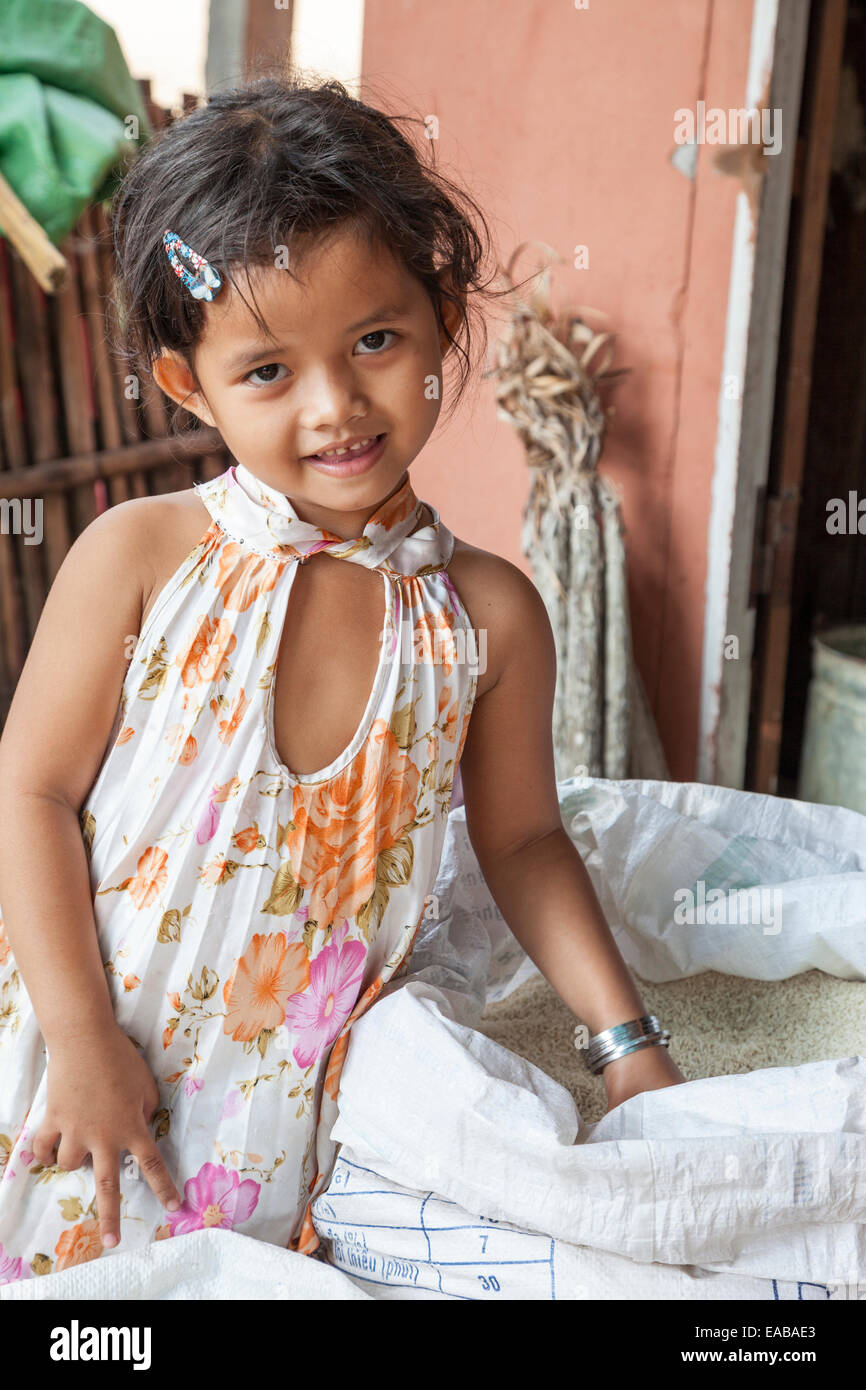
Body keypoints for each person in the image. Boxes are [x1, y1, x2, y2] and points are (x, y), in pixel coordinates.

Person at [0, 74, 684, 1285]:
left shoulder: (486, 617)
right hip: (65, 1081)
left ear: (440, 312)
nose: (335, 407)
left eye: (375, 340)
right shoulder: (142, 561)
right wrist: (80, 1036)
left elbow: (523, 842)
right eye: (266, 371)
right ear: (185, 384)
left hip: (267, 1148)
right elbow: (30, 795)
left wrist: (623, 1038)